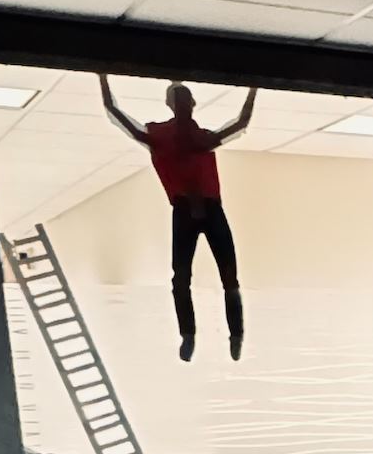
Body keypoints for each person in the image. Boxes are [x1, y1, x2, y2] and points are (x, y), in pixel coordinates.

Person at [98, 76, 256, 360]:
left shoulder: (194, 138)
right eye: (178, 98)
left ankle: (233, 334)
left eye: (184, 98)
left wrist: (254, 88)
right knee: (185, 278)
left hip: (205, 208)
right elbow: (114, 112)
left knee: (224, 277)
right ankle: (192, 334)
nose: (183, 103)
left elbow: (241, 123)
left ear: (191, 104)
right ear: (172, 104)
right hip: (189, 209)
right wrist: (102, 78)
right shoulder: (165, 137)